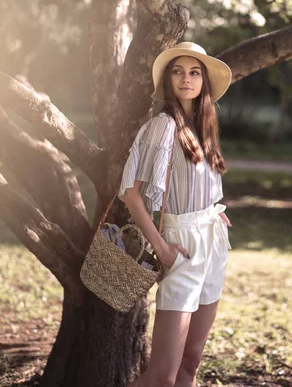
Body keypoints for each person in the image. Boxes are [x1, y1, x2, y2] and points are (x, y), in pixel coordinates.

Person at [119, 41, 233, 387]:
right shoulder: (163, 126)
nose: (187, 79)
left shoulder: (205, 126)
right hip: (179, 247)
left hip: (212, 243)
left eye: (194, 72)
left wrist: (214, 212)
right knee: (163, 376)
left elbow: (201, 183)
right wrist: (161, 248)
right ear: (169, 80)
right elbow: (130, 194)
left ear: (203, 82)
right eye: (178, 71)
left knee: (191, 362)